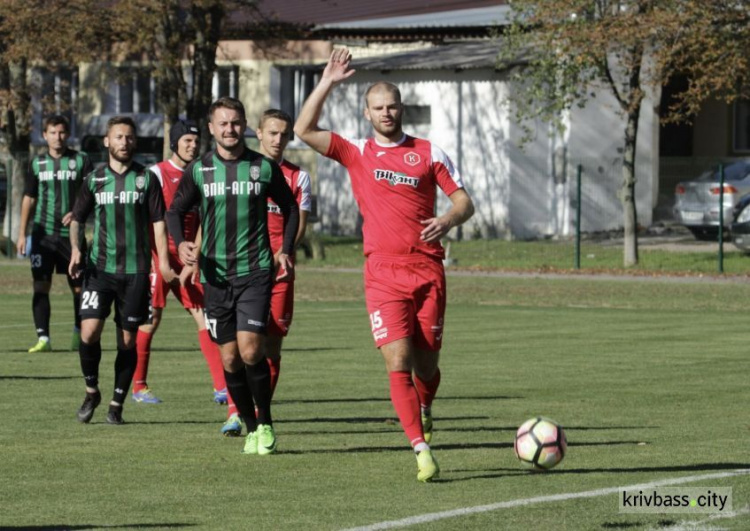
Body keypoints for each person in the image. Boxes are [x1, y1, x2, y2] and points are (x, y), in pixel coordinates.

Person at [294, 48, 475, 482]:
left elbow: (465, 202)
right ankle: (420, 449)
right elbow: (303, 129)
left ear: (401, 108)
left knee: (426, 365)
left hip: (428, 270)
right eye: (378, 107)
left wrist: (449, 218)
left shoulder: (429, 152)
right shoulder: (356, 151)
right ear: (367, 112)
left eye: (392, 105)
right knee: (398, 360)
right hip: (382, 272)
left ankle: (426, 405)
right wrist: (327, 82)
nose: (386, 112)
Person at [167, 97, 299, 455]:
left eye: (236, 123)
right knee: (228, 358)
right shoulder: (199, 170)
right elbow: (175, 212)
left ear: (245, 126)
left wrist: (284, 249)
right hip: (215, 277)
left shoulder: (263, 168)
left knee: (251, 348)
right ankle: (251, 426)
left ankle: (266, 422)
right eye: (223, 124)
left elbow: (290, 208)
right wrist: (181, 246)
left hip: (255, 272)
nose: (230, 130)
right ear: (212, 128)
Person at [131, 120, 238, 434]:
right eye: (187, 140)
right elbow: (152, 218)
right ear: (174, 143)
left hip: (191, 259)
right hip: (158, 258)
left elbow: (207, 216)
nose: (193, 145)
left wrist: (196, 253)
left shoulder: (202, 172)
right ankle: (139, 386)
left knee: (206, 318)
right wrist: (160, 260)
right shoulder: (155, 174)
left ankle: (221, 386)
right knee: (151, 320)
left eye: (195, 140)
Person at [68, 116, 172, 425]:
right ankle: (91, 391)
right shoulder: (94, 178)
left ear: (134, 142)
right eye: (118, 137)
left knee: (127, 342)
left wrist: (162, 262)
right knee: (88, 332)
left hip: (136, 272)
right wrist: (76, 248)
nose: (123, 142)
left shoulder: (146, 179)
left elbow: (158, 223)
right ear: (106, 141)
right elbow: (77, 218)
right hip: (99, 270)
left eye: (128, 137)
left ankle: (116, 403)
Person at [17, 115, 93, 353]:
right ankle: (43, 339)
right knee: (41, 285)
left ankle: (79, 334)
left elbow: (91, 193)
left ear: (67, 134)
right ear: (44, 135)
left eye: (61, 132)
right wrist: (22, 234)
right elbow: (29, 198)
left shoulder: (81, 160)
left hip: (73, 237)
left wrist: (77, 212)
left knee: (79, 288)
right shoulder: (37, 163)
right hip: (43, 235)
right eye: (52, 132)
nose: (57, 137)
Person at [254, 109, 312, 402]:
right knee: (243, 343)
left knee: (272, 345)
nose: (278, 139)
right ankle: (237, 411)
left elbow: (299, 223)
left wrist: (284, 252)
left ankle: (259, 412)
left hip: (280, 269)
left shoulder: (299, 176)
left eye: (284, 134)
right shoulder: (243, 170)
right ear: (259, 133)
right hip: (246, 267)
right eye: (272, 133)